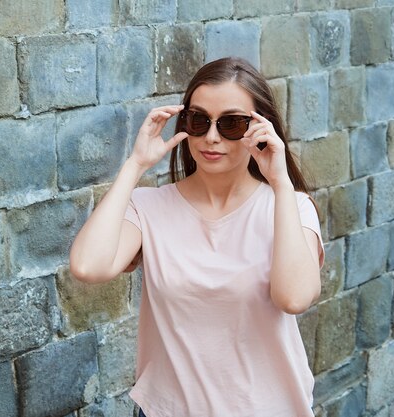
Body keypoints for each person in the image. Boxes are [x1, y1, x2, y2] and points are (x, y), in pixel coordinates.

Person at [70, 57, 325, 417]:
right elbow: (86, 265)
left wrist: (281, 183)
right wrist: (135, 165)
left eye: (232, 123)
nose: (211, 137)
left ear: (261, 128)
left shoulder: (291, 207)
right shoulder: (149, 207)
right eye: (199, 120)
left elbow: (294, 297)